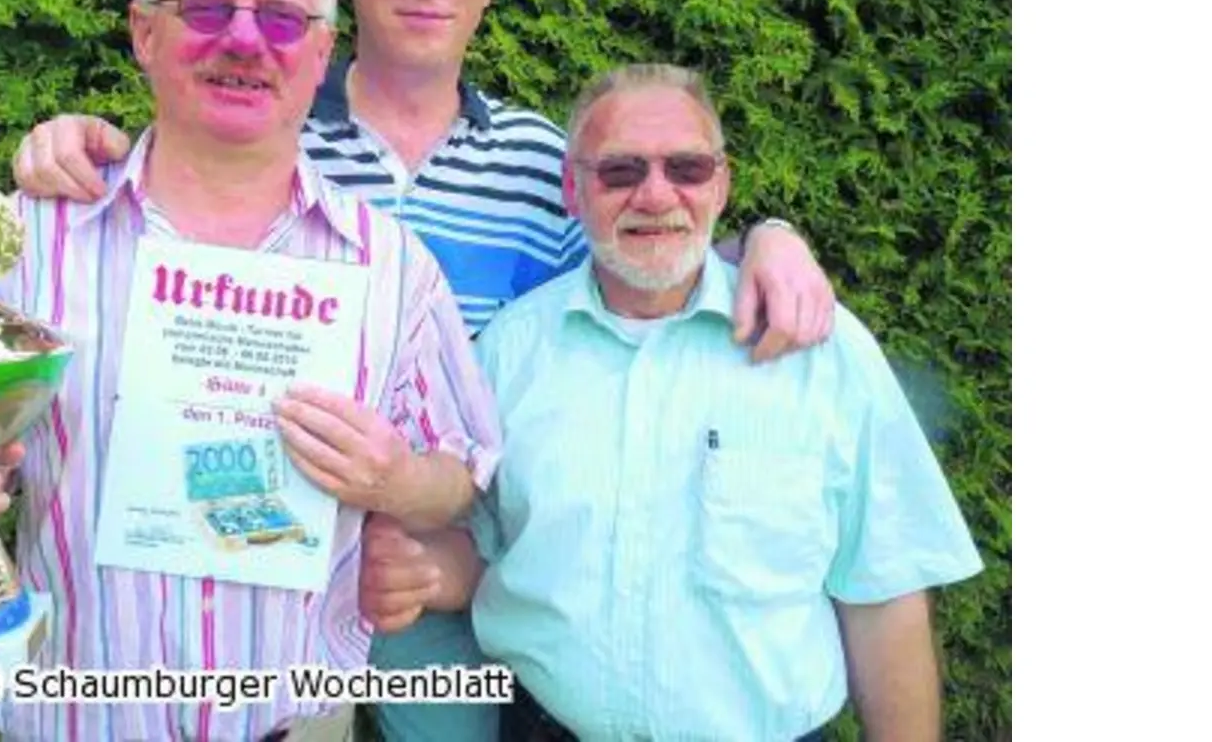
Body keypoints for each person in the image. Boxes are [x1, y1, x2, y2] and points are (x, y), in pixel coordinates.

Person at [9, 0, 838, 739]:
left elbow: (643, 270)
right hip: (234, 581)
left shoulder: (539, 161)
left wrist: (765, 240)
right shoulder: (258, 111)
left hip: (438, 584)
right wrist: (64, 146)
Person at [0, 0, 506, 742]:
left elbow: (459, 465)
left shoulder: (390, 264)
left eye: (282, 18)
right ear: (144, 33)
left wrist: (396, 482)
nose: (245, 41)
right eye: (207, 8)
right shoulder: (31, 239)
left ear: (321, 47)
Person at [364, 64, 985, 741]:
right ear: (573, 189)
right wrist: (421, 573)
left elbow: (886, 592)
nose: (656, 196)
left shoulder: (824, 352)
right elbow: (483, 549)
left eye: (686, 169)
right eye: (621, 171)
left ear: (722, 183)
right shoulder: (507, 355)